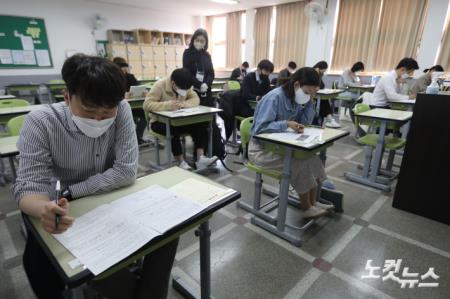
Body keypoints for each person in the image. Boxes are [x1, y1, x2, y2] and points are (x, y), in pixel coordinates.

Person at [13, 54, 178, 299]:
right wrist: (44, 208)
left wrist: (74, 191)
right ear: (67, 97)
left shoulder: (121, 109)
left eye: (106, 112)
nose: (99, 119)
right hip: (61, 205)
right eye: (89, 111)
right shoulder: (41, 122)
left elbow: (126, 171)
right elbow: (28, 188)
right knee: (43, 266)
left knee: (168, 232)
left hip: (108, 196)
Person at [248, 67, 334, 219]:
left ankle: (313, 203)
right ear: (296, 85)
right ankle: (307, 207)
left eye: (313, 93)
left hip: (281, 146)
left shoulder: (297, 97)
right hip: (261, 151)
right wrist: (286, 124)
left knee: (313, 159)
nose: (309, 96)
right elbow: (259, 129)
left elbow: (305, 122)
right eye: (307, 92)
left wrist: (309, 102)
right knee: (299, 164)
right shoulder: (274, 97)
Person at [143, 68, 218, 170]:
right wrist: (167, 105)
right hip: (158, 122)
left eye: (187, 89)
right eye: (183, 89)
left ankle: (200, 159)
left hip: (179, 120)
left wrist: (185, 104)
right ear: (173, 84)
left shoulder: (185, 85)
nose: (185, 92)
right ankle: (181, 162)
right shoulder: (160, 86)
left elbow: (195, 98)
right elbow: (146, 105)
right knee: (172, 130)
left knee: (201, 124)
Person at [113, 57, 148, 144]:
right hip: (119, 108)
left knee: (146, 116)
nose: (125, 71)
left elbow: (138, 87)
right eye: (122, 68)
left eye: (125, 68)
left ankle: (137, 137)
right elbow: (112, 94)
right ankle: (124, 140)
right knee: (127, 119)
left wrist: (143, 92)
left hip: (133, 105)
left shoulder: (130, 77)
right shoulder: (112, 79)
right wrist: (124, 95)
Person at [183, 28, 215, 107]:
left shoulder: (207, 55)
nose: (199, 43)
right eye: (197, 40)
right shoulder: (187, 53)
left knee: (208, 114)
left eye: (202, 41)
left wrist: (206, 84)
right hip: (192, 90)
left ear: (205, 42)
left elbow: (211, 73)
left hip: (206, 90)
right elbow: (187, 72)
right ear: (193, 39)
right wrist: (199, 85)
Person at [313, 61, 340, 128]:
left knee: (324, 100)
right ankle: (330, 119)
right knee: (323, 101)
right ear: (319, 68)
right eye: (323, 71)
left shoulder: (319, 74)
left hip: (315, 95)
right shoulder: (312, 73)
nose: (323, 72)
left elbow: (322, 86)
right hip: (310, 95)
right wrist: (317, 74)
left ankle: (329, 119)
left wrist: (319, 75)